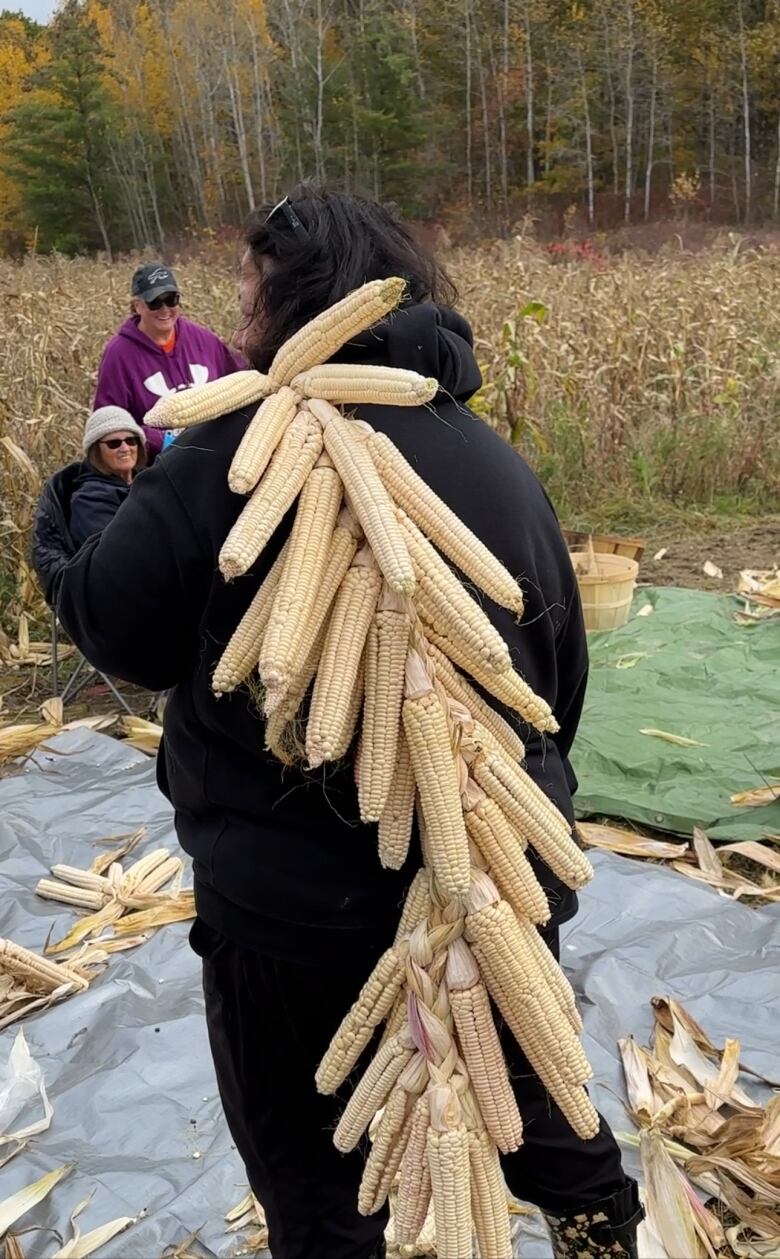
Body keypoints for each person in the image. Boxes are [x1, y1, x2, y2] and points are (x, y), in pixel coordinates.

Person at [54, 189, 642, 1259]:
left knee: (316, 1183)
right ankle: (604, 1227)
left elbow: (116, 628)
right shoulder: (496, 462)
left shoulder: (218, 458)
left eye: (248, 279)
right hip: (501, 880)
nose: (233, 305)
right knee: (537, 1096)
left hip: (297, 921)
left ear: (292, 289)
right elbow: (558, 685)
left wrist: (93, 504)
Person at [93, 262, 243, 458]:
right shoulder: (119, 354)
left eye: (171, 300)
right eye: (155, 302)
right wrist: (161, 442)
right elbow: (109, 423)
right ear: (137, 306)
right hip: (159, 468)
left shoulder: (203, 339)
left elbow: (239, 380)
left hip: (215, 454)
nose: (165, 309)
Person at [68, 406, 147, 547]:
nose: (125, 448)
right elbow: (117, 550)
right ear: (95, 450)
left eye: (131, 441)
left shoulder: (148, 480)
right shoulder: (88, 499)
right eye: (114, 443)